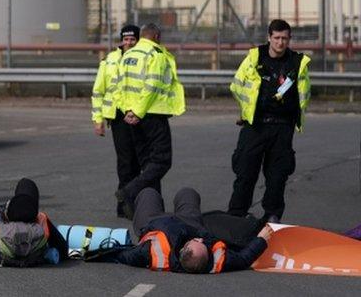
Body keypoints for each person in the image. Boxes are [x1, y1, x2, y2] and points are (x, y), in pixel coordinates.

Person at [227, 19, 311, 223]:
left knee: (277, 177)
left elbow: (304, 93)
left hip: (282, 127)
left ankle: (272, 217)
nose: (280, 43)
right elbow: (237, 85)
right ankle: (237, 215)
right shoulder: (255, 58)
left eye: (284, 38)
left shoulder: (297, 63)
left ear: (289, 39)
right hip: (256, 125)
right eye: (276, 38)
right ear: (269, 37)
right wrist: (245, 111)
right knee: (245, 172)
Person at [113, 187, 272, 273]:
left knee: (148, 193)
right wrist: (262, 239)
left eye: (197, 241)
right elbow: (245, 258)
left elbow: (124, 255)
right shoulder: (217, 260)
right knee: (187, 193)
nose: (201, 240)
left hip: (153, 223)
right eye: (203, 244)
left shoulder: (150, 251)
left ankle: (135, 210)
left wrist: (96, 251)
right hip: (190, 222)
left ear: (183, 248)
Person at [115, 23, 184, 217]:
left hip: (132, 119)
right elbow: (151, 85)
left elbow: (118, 89)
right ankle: (129, 191)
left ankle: (153, 208)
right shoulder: (155, 55)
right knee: (162, 162)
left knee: (148, 165)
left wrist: (128, 111)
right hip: (152, 115)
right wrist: (138, 111)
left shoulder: (127, 55)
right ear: (156, 35)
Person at [92, 24, 140, 218]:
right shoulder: (110, 60)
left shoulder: (142, 59)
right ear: (121, 40)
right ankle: (124, 204)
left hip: (137, 115)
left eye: (132, 39)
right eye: (125, 39)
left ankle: (138, 202)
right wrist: (98, 119)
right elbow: (98, 91)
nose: (128, 43)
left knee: (139, 162)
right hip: (118, 118)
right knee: (125, 162)